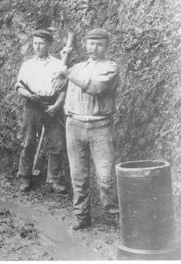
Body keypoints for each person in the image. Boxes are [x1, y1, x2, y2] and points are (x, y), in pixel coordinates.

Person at [55, 28, 120, 230]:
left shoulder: (110, 67)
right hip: (74, 125)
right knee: (78, 176)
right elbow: (57, 85)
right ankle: (82, 216)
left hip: (100, 126)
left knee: (105, 176)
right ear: (85, 44)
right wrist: (61, 68)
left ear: (106, 47)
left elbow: (95, 87)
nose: (94, 47)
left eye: (99, 44)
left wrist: (67, 71)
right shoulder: (77, 66)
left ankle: (113, 215)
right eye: (91, 43)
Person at [16, 29, 68, 193]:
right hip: (33, 106)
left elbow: (63, 89)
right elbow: (19, 87)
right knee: (28, 141)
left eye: (41, 43)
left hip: (52, 106)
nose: (37, 47)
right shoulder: (27, 65)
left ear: (49, 44)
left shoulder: (58, 64)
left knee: (57, 143)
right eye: (35, 43)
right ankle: (25, 177)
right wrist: (30, 95)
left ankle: (54, 179)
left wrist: (57, 105)